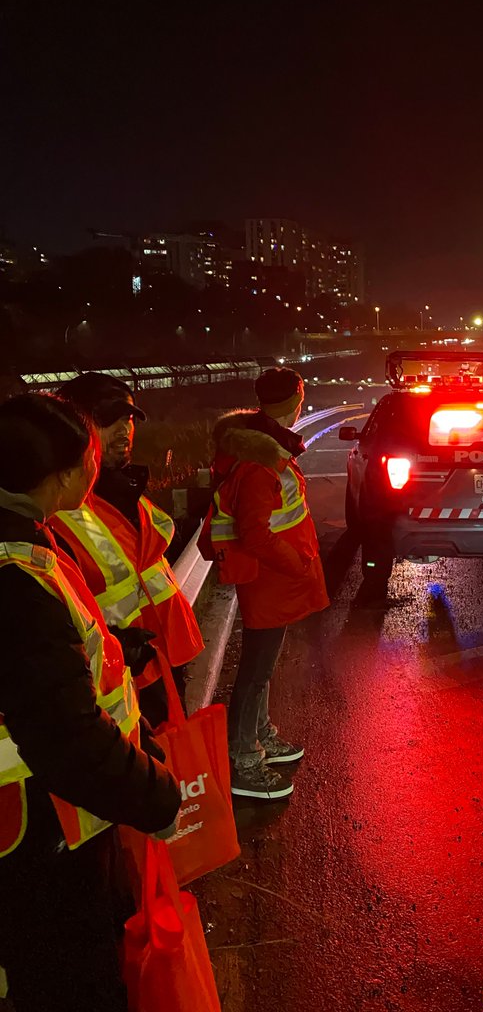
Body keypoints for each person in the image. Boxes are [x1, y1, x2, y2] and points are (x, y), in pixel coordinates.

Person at [0, 393, 180, 1012]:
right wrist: (155, 796)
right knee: (71, 982)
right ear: (63, 475)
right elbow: (65, 737)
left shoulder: (24, 543)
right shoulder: (16, 580)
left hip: (47, 820)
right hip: (37, 832)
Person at [201, 366, 329, 800]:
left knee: (263, 666)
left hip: (275, 579)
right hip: (271, 580)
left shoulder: (263, 444)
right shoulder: (260, 461)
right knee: (255, 671)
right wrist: (296, 563)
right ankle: (243, 758)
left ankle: (259, 735)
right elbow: (255, 534)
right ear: (297, 403)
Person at [52, 372, 204, 725]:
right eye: (109, 420)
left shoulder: (125, 490)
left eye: (129, 419)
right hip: (113, 676)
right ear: (72, 428)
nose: (124, 430)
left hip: (160, 656)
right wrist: (116, 645)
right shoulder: (61, 509)